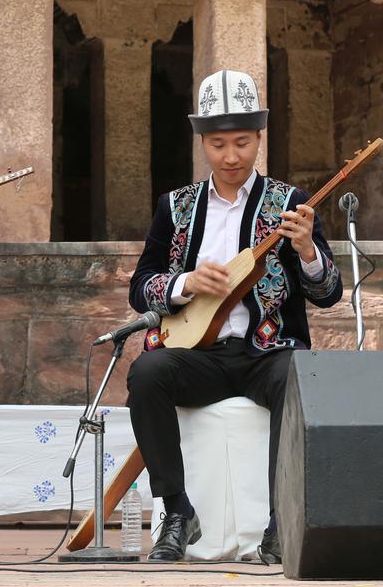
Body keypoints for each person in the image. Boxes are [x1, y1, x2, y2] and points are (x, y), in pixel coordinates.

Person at [127, 69, 343, 563]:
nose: (230, 156)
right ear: (203, 142)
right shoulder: (176, 207)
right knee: (147, 373)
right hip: (199, 357)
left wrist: (308, 248)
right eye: (218, 143)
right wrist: (185, 285)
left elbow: (328, 293)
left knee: (299, 377)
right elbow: (142, 288)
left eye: (242, 142)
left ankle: (280, 523)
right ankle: (178, 512)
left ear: (259, 139)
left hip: (266, 354)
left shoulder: (289, 205)